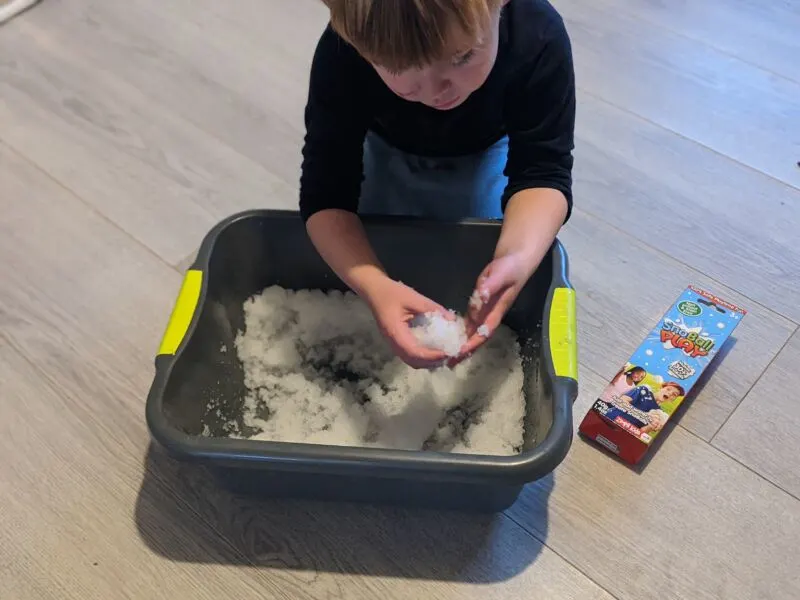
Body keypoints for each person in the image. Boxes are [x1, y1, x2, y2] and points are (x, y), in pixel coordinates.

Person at [299, 0, 576, 369]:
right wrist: (374, 285)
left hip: (487, 146)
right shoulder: (341, 52)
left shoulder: (538, 34)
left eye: (462, 57)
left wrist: (517, 258)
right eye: (400, 68)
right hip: (387, 144)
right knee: (374, 251)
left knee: (481, 257)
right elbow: (325, 192)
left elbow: (543, 173)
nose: (435, 90)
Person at [605, 382, 685, 431]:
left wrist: (651, 426)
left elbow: (642, 432)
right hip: (607, 419)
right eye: (668, 389)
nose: (670, 393)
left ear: (672, 399)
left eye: (674, 395)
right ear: (661, 388)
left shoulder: (659, 414)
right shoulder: (643, 390)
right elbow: (621, 402)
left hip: (624, 432)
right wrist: (645, 416)